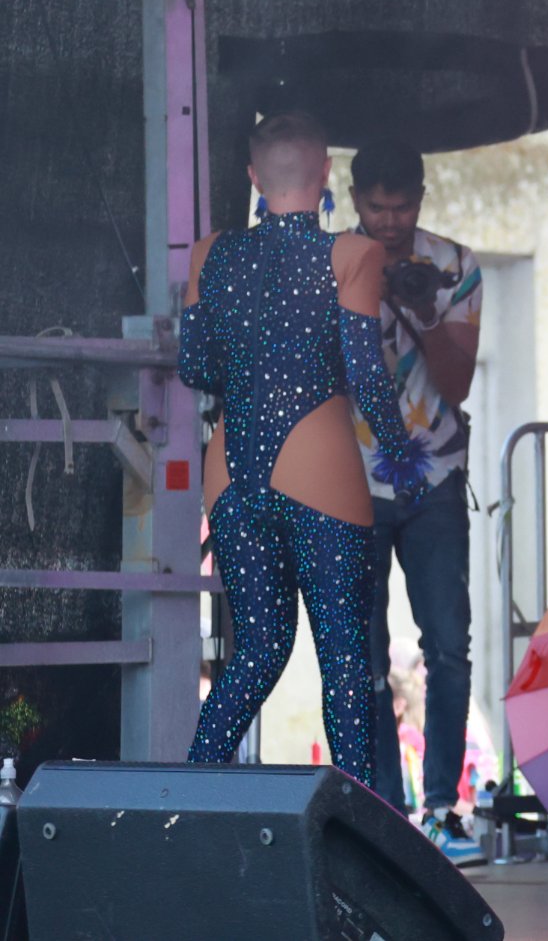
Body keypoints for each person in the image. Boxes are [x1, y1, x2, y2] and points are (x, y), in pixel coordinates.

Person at [180, 112, 429, 784]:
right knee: (345, 661)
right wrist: (403, 460)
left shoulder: (209, 254)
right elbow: (367, 376)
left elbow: (194, 367)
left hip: (231, 471)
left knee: (257, 652)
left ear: (253, 176)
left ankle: (186, 800)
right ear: (325, 173)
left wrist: (252, 366)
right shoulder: (353, 255)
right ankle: (357, 827)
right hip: (319, 466)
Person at [346, 138, 485, 865]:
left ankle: (442, 810)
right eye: (377, 207)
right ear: (355, 198)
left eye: (402, 207)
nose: (390, 221)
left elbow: (457, 383)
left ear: (421, 200)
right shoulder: (333, 264)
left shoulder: (454, 266)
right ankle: (383, 810)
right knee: (363, 651)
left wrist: (422, 308)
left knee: (448, 647)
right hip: (351, 478)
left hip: (434, 478)